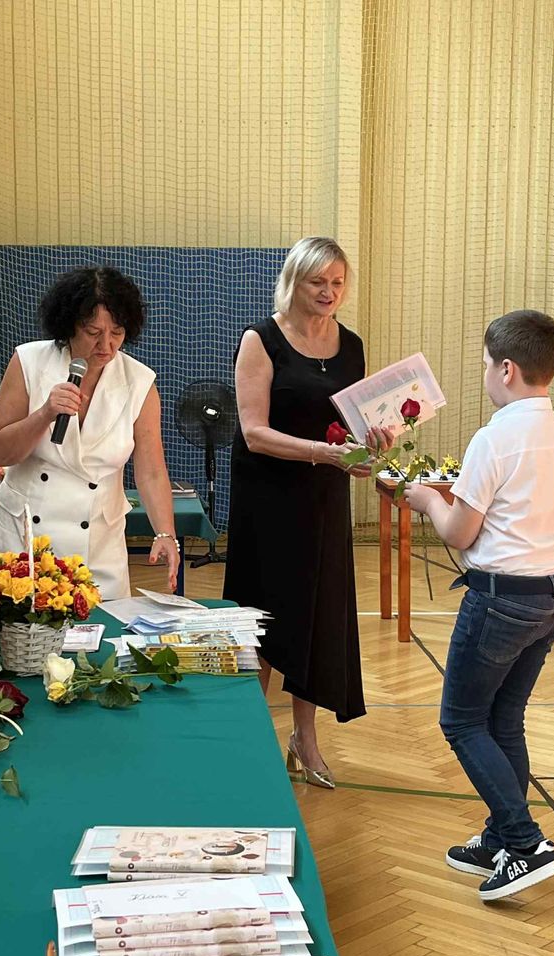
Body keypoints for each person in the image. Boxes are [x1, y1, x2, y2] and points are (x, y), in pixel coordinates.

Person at [404, 309, 554, 900]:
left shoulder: (494, 437)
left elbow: (459, 533)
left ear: (506, 369)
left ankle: (525, 844)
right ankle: (500, 839)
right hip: (553, 594)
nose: (484, 375)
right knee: (504, 719)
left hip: (502, 601)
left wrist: (428, 500)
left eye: (485, 365)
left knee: (461, 721)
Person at [223, 237, 393, 790]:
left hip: (324, 499)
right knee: (262, 621)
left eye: (337, 282)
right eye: (318, 281)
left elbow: (351, 427)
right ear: (294, 282)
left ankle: (305, 739)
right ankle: (248, 740)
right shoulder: (261, 339)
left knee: (316, 618)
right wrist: (324, 453)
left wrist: (374, 445)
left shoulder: (352, 345)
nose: (329, 292)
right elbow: (254, 432)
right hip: (267, 501)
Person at [0, 266, 179, 600]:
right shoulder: (29, 361)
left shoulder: (139, 381)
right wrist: (44, 414)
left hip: (99, 545)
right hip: (24, 540)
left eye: (117, 332)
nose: (106, 345)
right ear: (69, 326)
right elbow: (1, 452)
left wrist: (165, 533)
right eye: (93, 332)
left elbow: (151, 470)